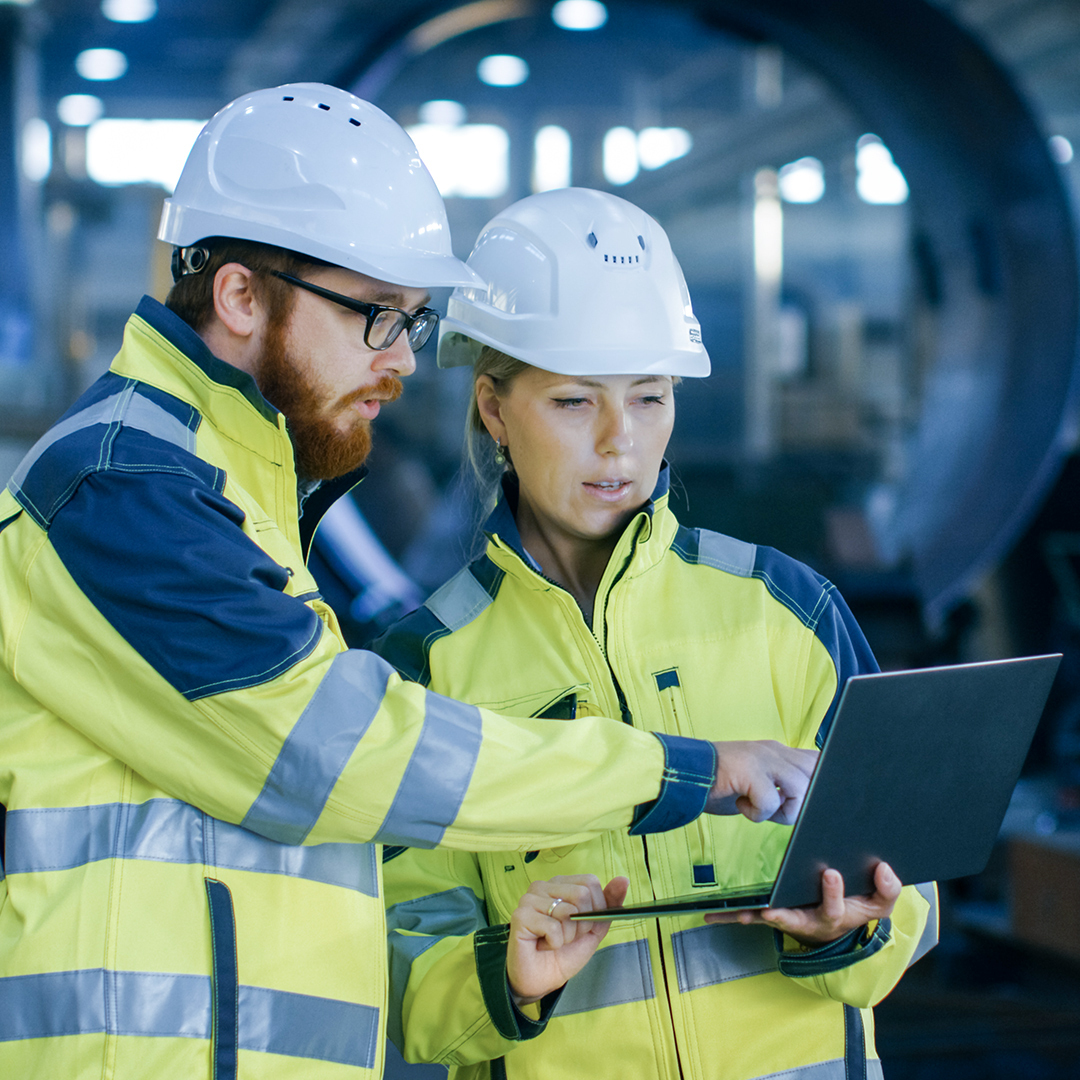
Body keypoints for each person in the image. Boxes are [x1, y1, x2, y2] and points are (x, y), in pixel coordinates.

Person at [0, 85, 819, 1079]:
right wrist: (675, 770)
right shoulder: (124, 485)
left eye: (415, 325)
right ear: (241, 297)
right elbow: (333, 753)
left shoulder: (234, 490)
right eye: (377, 318)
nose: (398, 364)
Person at [371, 188, 939, 1080]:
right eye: (571, 403)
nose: (619, 443)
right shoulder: (426, 668)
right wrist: (509, 979)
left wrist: (852, 926)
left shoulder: (787, 609)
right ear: (492, 410)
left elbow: (915, 883)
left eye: (648, 397)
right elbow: (399, 964)